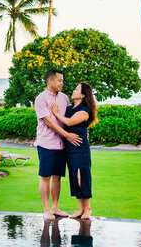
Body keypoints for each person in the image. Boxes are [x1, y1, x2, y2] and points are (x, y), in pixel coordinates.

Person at [34, 69, 81, 220]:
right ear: (50, 81)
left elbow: (69, 118)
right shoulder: (41, 99)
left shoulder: (65, 98)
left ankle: (55, 207)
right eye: (59, 80)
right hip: (46, 143)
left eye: (62, 80)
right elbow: (48, 121)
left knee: (57, 177)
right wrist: (67, 135)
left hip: (61, 145)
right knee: (45, 177)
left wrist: (81, 130)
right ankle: (46, 209)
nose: (62, 83)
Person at [51, 81, 97, 220]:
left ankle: (87, 208)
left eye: (77, 89)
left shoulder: (84, 110)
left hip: (80, 148)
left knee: (81, 176)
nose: (73, 90)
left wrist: (57, 114)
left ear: (82, 95)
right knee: (74, 178)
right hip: (70, 148)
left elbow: (69, 122)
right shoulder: (70, 108)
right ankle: (80, 209)